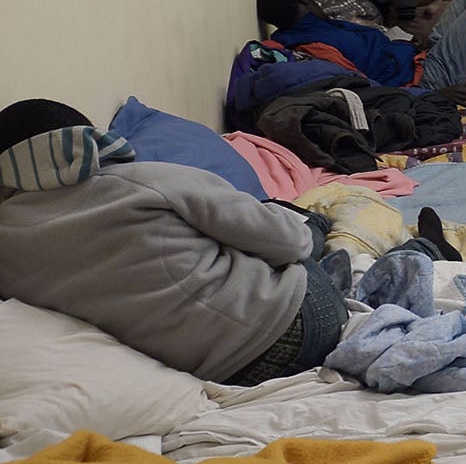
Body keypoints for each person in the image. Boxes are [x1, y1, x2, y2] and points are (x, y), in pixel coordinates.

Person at [0, 99, 343, 384]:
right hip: (302, 326)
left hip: (221, 373)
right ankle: (321, 227)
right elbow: (287, 244)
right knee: (295, 227)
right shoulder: (141, 180)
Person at [257, 0, 466, 107]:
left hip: (418, 56)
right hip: (427, 78)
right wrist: (431, 95)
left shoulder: (316, 28)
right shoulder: (316, 45)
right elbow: (362, 86)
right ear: (304, 1)